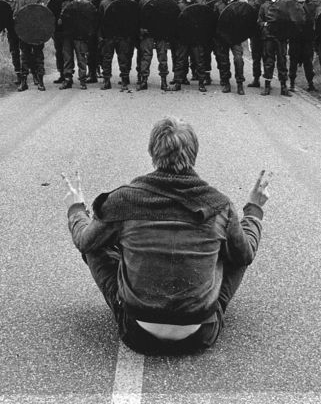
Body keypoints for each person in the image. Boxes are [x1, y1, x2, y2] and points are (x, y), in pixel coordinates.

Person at [62, 116, 271, 355]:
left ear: (152, 152)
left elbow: (84, 241)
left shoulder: (123, 201)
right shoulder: (220, 206)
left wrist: (76, 208)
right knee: (236, 249)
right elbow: (245, 255)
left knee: (94, 243)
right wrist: (254, 209)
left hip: (137, 334)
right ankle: (206, 308)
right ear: (195, 155)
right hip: (201, 334)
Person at [13, 0, 49, 91]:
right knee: (24, 57)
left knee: (38, 56)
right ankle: (24, 82)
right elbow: (16, 14)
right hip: (24, 32)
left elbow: (43, 15)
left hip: (37, 32)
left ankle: (40, 81)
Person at [257, 0, 290, 96]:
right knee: (268, 61)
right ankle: (267, 86)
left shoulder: (285, 5)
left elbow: (290, 19)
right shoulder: (264, 6)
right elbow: (259, 21)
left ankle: (283, 87)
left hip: (281, 38)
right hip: (268, 38)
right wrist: (265, 24)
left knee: (282, 61)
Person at [213, 0, 245, 95]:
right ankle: (226, 82)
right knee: (223, 61)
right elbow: (213, 21)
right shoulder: (217, 5)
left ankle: (240, 83)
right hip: (221, 38)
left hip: (235, 37)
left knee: (238, 60)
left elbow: (244, 21)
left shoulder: (239, 5)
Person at [288, 0, 317, 92]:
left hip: (307, 39)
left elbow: (312, 19)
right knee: (293, 61)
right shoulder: (291, 6)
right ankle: (291, 83)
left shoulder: (312, 6)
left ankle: (310, 83)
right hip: (294, 39)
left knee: (308, 62)